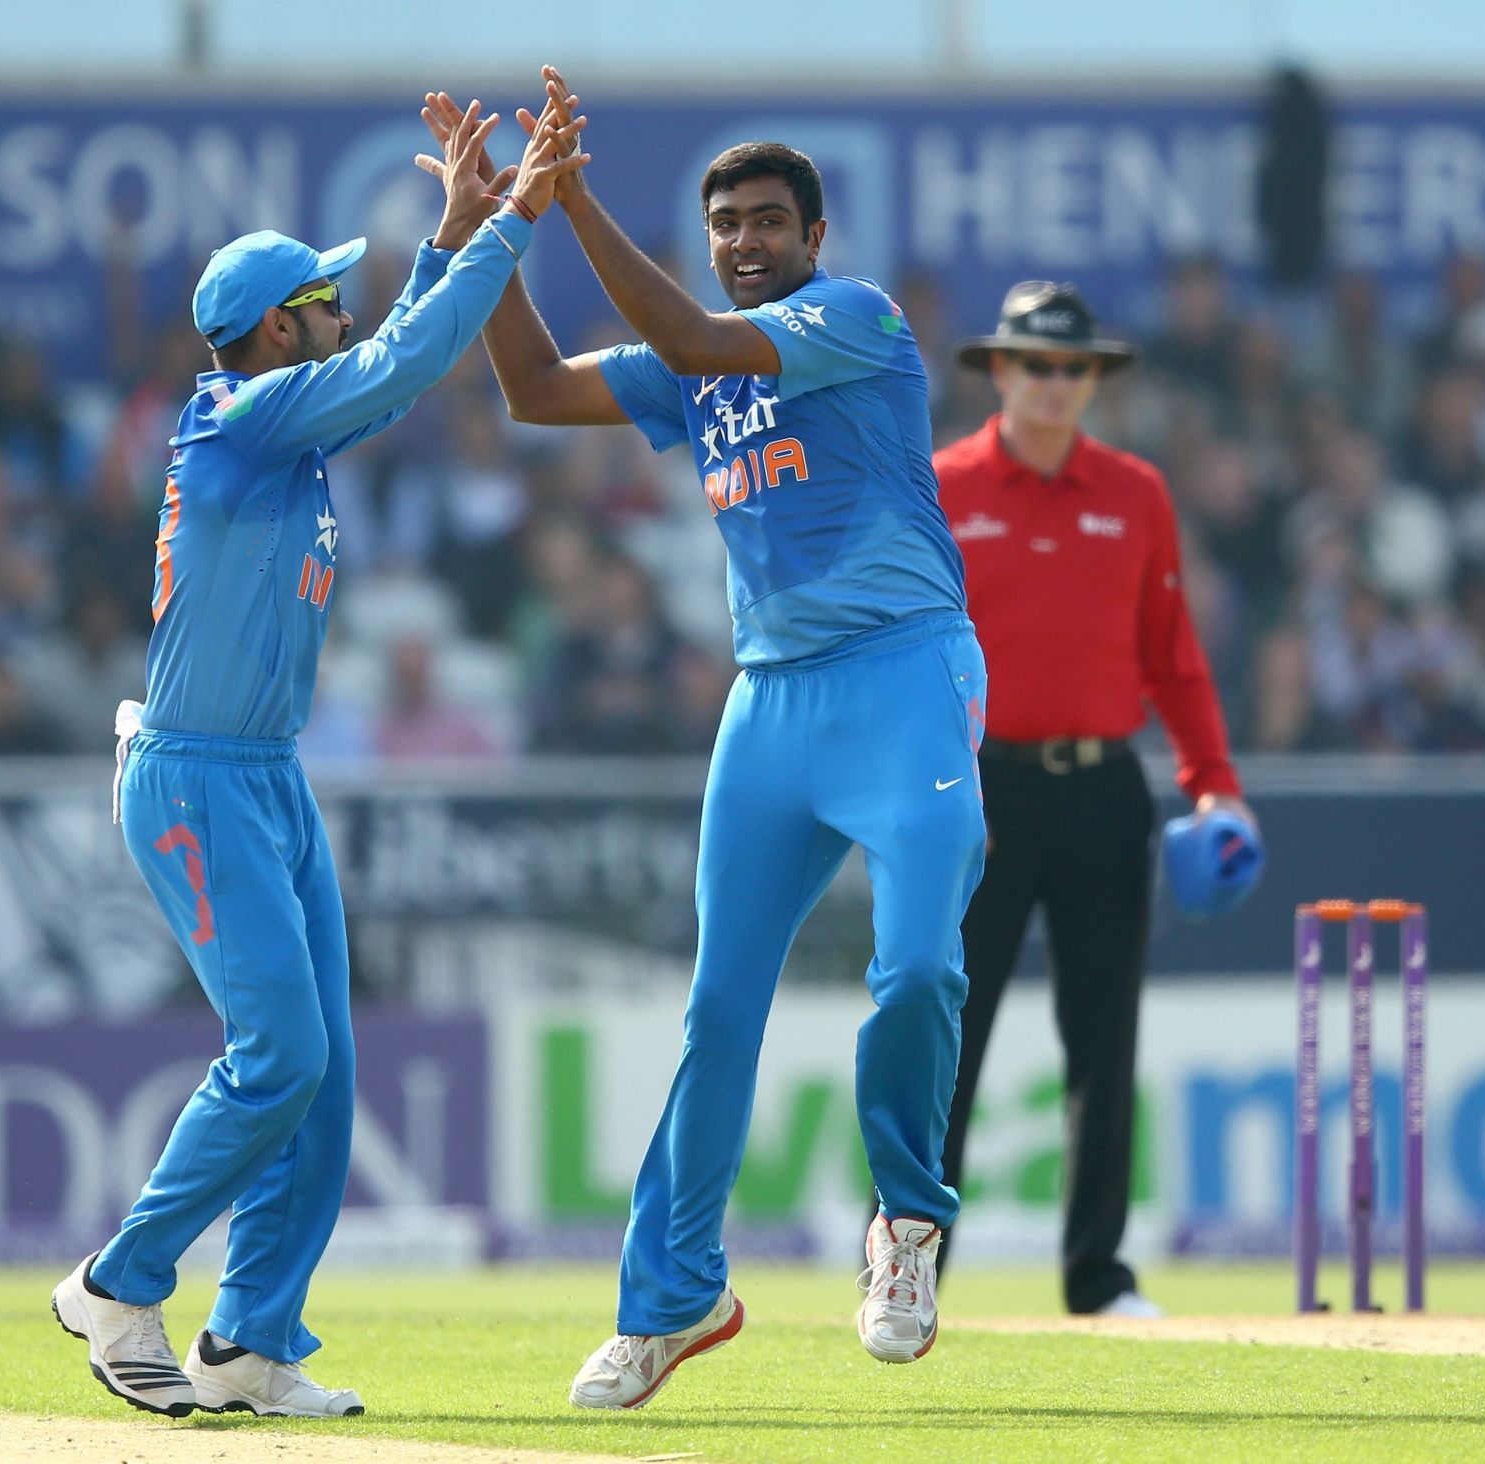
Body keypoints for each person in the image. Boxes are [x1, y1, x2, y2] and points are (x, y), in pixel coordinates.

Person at [424, 70, 987, 1407]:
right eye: (726, 221)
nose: (745, 240)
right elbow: (532, 388)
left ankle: (908, 1223)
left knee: (913, 972)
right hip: (771, 703)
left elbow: (682, 331)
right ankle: (673, 1297)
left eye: (767, 221)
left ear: (814, 237)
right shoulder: (701, 372)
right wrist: (485, 225)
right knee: (717, 1009)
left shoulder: (855, 320)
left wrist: (569, 200)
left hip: (904, 678)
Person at [49, 100, 587, 1421]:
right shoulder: (242, 425)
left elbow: (391, 349)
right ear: (280, 327)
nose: (348, 310)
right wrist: (513, 221)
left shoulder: (280, 420)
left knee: (326, 1077)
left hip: (269, 777)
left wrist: (457, 224)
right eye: (328, 299)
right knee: (279, 1054)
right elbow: (405, 364)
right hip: (193, 775)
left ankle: (248, 1344)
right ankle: (119, 1281)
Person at [933, 281, 1256, 1316]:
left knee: (1104, 1038)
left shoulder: (1137, 492)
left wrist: (1217, 789)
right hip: (974, 795)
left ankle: (1097, 1276)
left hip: (1103, 788)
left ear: (1094, 379)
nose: (1055, 384)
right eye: (1035, 363)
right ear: (999, 370)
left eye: (1073, 367)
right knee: (944, 1036)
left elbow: (1175, 660)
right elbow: (904, 656)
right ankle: (909, 1268)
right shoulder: (940, 485)